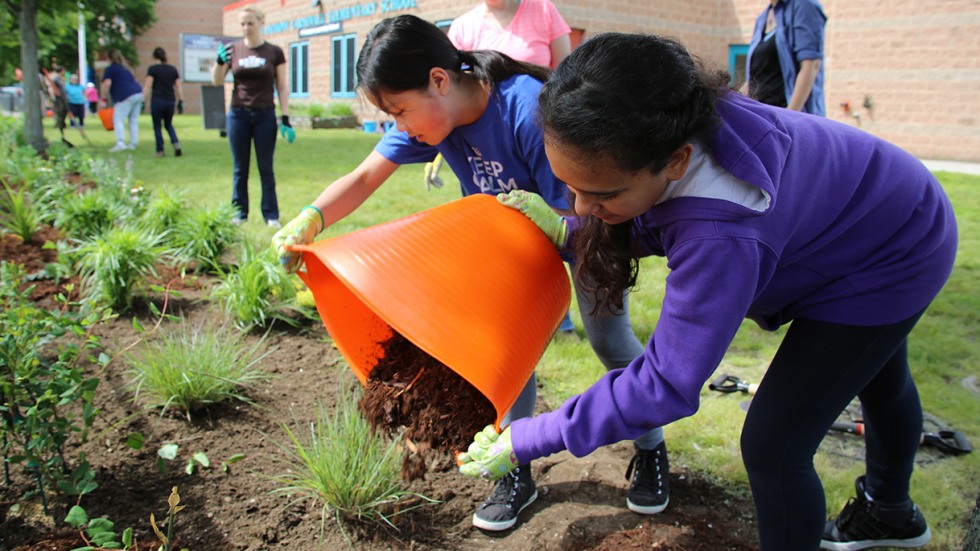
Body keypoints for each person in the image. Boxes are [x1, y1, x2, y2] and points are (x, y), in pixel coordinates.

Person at [457, 32, 956, 551]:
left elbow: (666, 383)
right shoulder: (675, 120)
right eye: (569, 187)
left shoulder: (722, 230)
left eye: (599, 194)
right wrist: (573, 235)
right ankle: (893, 515)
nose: (579, 206)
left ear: (676, 160)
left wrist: (530, 436)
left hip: (893, 249)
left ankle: (883, 512)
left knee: (775, 445)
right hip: (877, 205)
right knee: (876, 375)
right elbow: (657, 211)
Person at [271, 14, 670, 532]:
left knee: (611, 344)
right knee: (505, 358)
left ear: (439, 80)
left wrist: (558, 226)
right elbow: (368, 173)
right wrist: (313, 217)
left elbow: (595, 209)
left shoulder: (526, 109)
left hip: (584, 236)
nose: (400, 126)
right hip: (507, 253)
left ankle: (652, 448)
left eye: (399, 111)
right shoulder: (439, 117)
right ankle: (515, 470)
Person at [447, 0, 578, 333]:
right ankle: (540, 318)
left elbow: (566, 75)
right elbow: (450, 95)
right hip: (490, 156)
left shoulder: (544, 11)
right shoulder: (464, 26)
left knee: (562, 224)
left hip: (541, 139)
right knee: (506, 251)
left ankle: (561, 314)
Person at [211, 4, 293, 228]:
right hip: (238, 115)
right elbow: (216, 81)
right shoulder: (233, 50)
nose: (246, 27)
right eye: (242, 24)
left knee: (266, 167)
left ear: (260, 22)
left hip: (265, 115)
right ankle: (239, 213)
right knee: (240, 168)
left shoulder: (274, 52)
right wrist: (219, 63)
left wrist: (285, 117)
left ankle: (271, 215)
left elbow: (283, 86)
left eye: (250, 23)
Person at [745, 0, 826, 115]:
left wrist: (788, 119)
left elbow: (811, 65)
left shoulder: (804, 6)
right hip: (763, 119)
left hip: (791, 123)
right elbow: (755, 77)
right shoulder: (761, 19)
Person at [448, 0, 572, 70]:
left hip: (540, 110)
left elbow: (565, 69)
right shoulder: (462, 26)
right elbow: (454, 77)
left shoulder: (544, 9)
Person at [144, 47, 183, 157]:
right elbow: (178, 86)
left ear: (154, 57)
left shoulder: (152, 69)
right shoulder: (172, 69)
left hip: (157, 100)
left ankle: (160, 150)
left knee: (157, 126)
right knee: (168, 124)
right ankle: (176, 144)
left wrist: (143, 100)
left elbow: (148, 85)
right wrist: (181, 100)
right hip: (170, 100)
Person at [101, 49, 143, 152]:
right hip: (138, 93)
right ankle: (133, 143)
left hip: (124, 95)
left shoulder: (110, 69)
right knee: (133, 120)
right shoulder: (126, 69)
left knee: (118, 119)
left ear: (109, 58)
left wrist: (103, 98)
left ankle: (120, 142)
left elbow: (106, 84)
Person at [45, 66, 73, 146]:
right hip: (59, 99)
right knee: (60, 113)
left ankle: (62, 124)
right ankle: (59, 125)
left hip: (63, 98)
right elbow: (52, 87)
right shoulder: (55, 78)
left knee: (64, 112)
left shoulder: (59, 78)